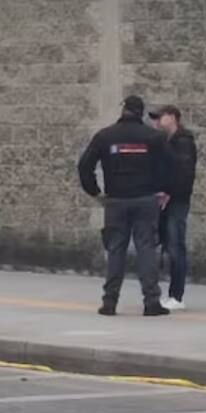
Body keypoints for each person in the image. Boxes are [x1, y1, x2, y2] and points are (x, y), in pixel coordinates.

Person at [77, 95, 171, 317]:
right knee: (146, 249)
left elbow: (84, 166)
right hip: (146, 200)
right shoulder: (153, 136)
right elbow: (170, 165)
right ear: (140, 112)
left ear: (123, 110)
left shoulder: (105, 136)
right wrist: (162, 189)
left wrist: (96, 193)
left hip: (116, 201)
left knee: (116, 250)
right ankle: (151, 302)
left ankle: (109, 302)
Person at [150, 104, 197, 311]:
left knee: (176, 246)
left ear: (173, 117)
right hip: (166, 200)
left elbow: (184, 173)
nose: (157, 121)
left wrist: (169, 192)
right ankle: (167, 293)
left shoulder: (184, 141)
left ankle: (176, 295)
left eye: (160, 117)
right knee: (167, 244)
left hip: (177, 201)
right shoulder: (167, 140)